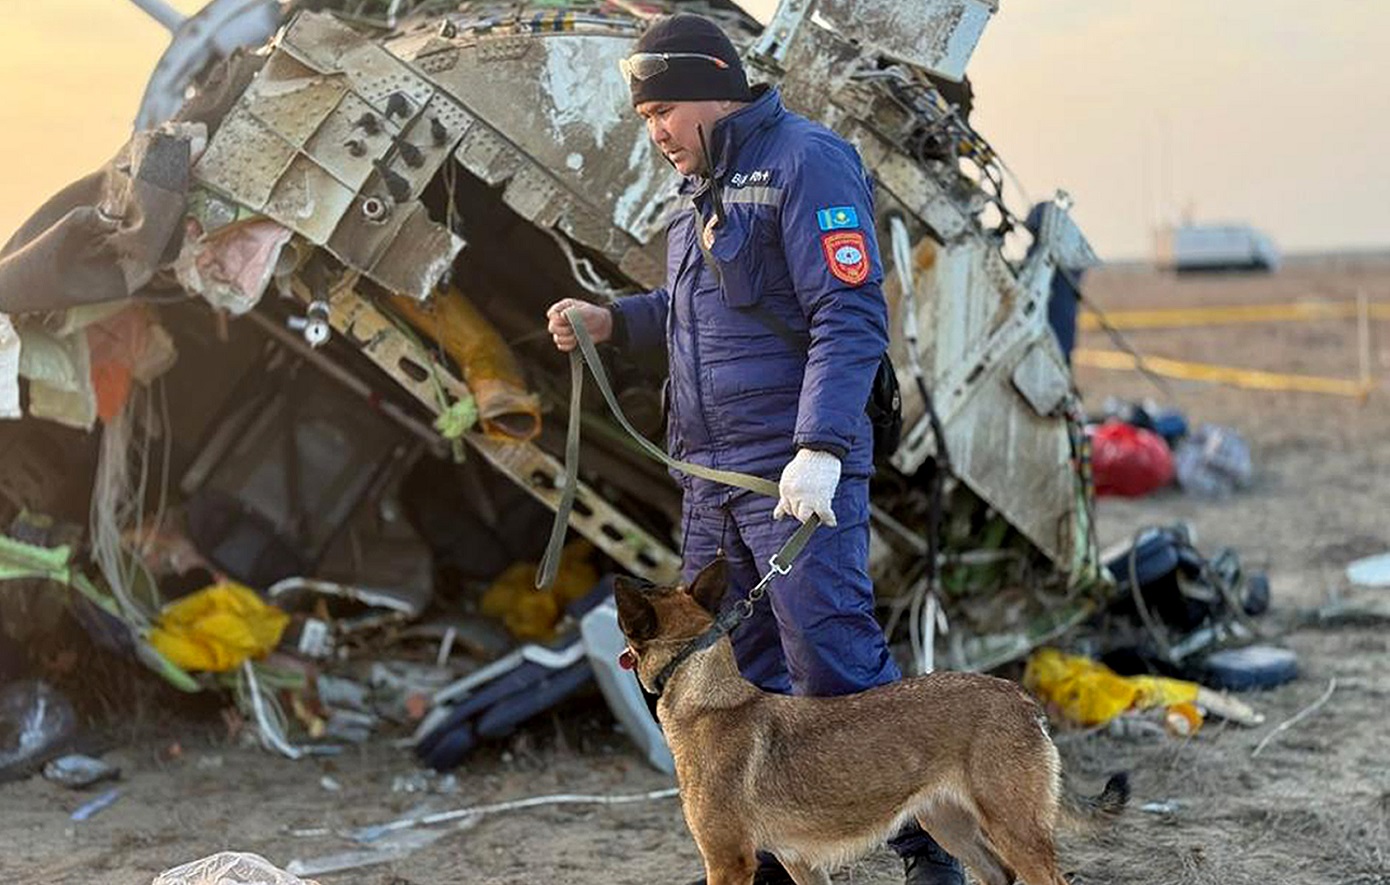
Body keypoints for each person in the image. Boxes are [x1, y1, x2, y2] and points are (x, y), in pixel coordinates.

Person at [546, 14, 963, 885]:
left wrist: (817, 447)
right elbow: (690, 315)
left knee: (832, 657)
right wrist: (612, 320)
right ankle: (766, 857)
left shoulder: (809, 161)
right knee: (738, 675)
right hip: (712, 485)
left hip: (791, 477)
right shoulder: (696, 190)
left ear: (711, 86)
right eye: (644, 116)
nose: (655, 132)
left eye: (662, 109)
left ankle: (925, 850)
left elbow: (848, 312)